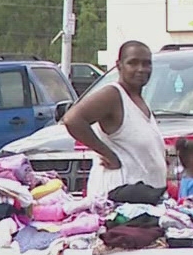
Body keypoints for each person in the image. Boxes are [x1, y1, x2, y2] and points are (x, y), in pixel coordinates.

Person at [63, 40, 167, 196]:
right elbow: (72, 119)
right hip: (119, 199)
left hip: (144, 201)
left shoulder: (138, 100)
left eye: (147, 64)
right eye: (133, 63)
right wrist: (108, 154)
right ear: (119, 65)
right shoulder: (113, 95)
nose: (141, 69)